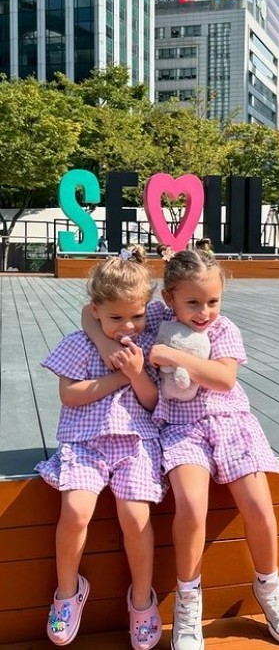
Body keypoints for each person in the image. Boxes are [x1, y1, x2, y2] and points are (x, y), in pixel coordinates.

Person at [83, 250, 279, 650]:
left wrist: (173, 356)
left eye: (213, 301)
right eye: (194, 302)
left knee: (258, 505)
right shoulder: (154, 321)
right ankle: (188, 599)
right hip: (181, 428)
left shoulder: (224, 329)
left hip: (230, 423)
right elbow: (89, 312)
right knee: (191, 504)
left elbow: (224, 379)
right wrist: (103, 345)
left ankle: (269, 586)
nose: (204, 312)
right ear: (169, 299)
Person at [36, 247, 164, 650]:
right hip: (86, 442)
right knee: (75, 510)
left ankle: (141, 598)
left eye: (136, 316)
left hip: (135, 442)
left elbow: (152, 403)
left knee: (135, 515)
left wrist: (137, 373)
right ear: (96, 312)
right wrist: (120, 377)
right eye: (115, 318)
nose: (127, 326)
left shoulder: (149, 343)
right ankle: (67, 591)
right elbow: (70, 396)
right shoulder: (80, 343)